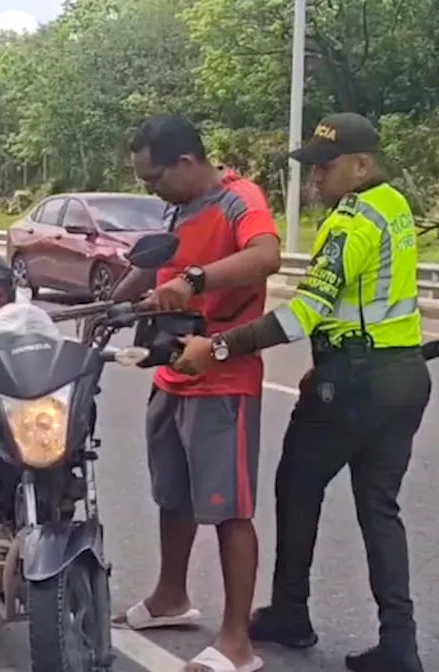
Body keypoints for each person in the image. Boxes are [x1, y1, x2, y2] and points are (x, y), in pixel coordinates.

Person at [171, 112, 434, 672]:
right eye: (311, 166)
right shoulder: (396, 206)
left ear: (361, 164)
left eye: (326, 165)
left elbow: (305, 314)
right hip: (403, 374)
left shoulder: (350, 223)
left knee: (296, 485)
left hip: (357, 384)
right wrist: (327, 359)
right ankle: (400, 642)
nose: (314, 177)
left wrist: (218, 348)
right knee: (379, 508)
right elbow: (358, 305)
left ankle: (290, 611)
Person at [110, 115, 282, 672]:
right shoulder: (178, 207)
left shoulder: (239, 199)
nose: (149, 189)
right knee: (173, 496)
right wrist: (115, 302)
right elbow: (159, 264)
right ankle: (170, 597)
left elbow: (265, 257)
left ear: (185, 163)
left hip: (223, 374)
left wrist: (198, 280)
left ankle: (237, 641)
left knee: (229, 510)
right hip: (172, 370)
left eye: (152, 178)